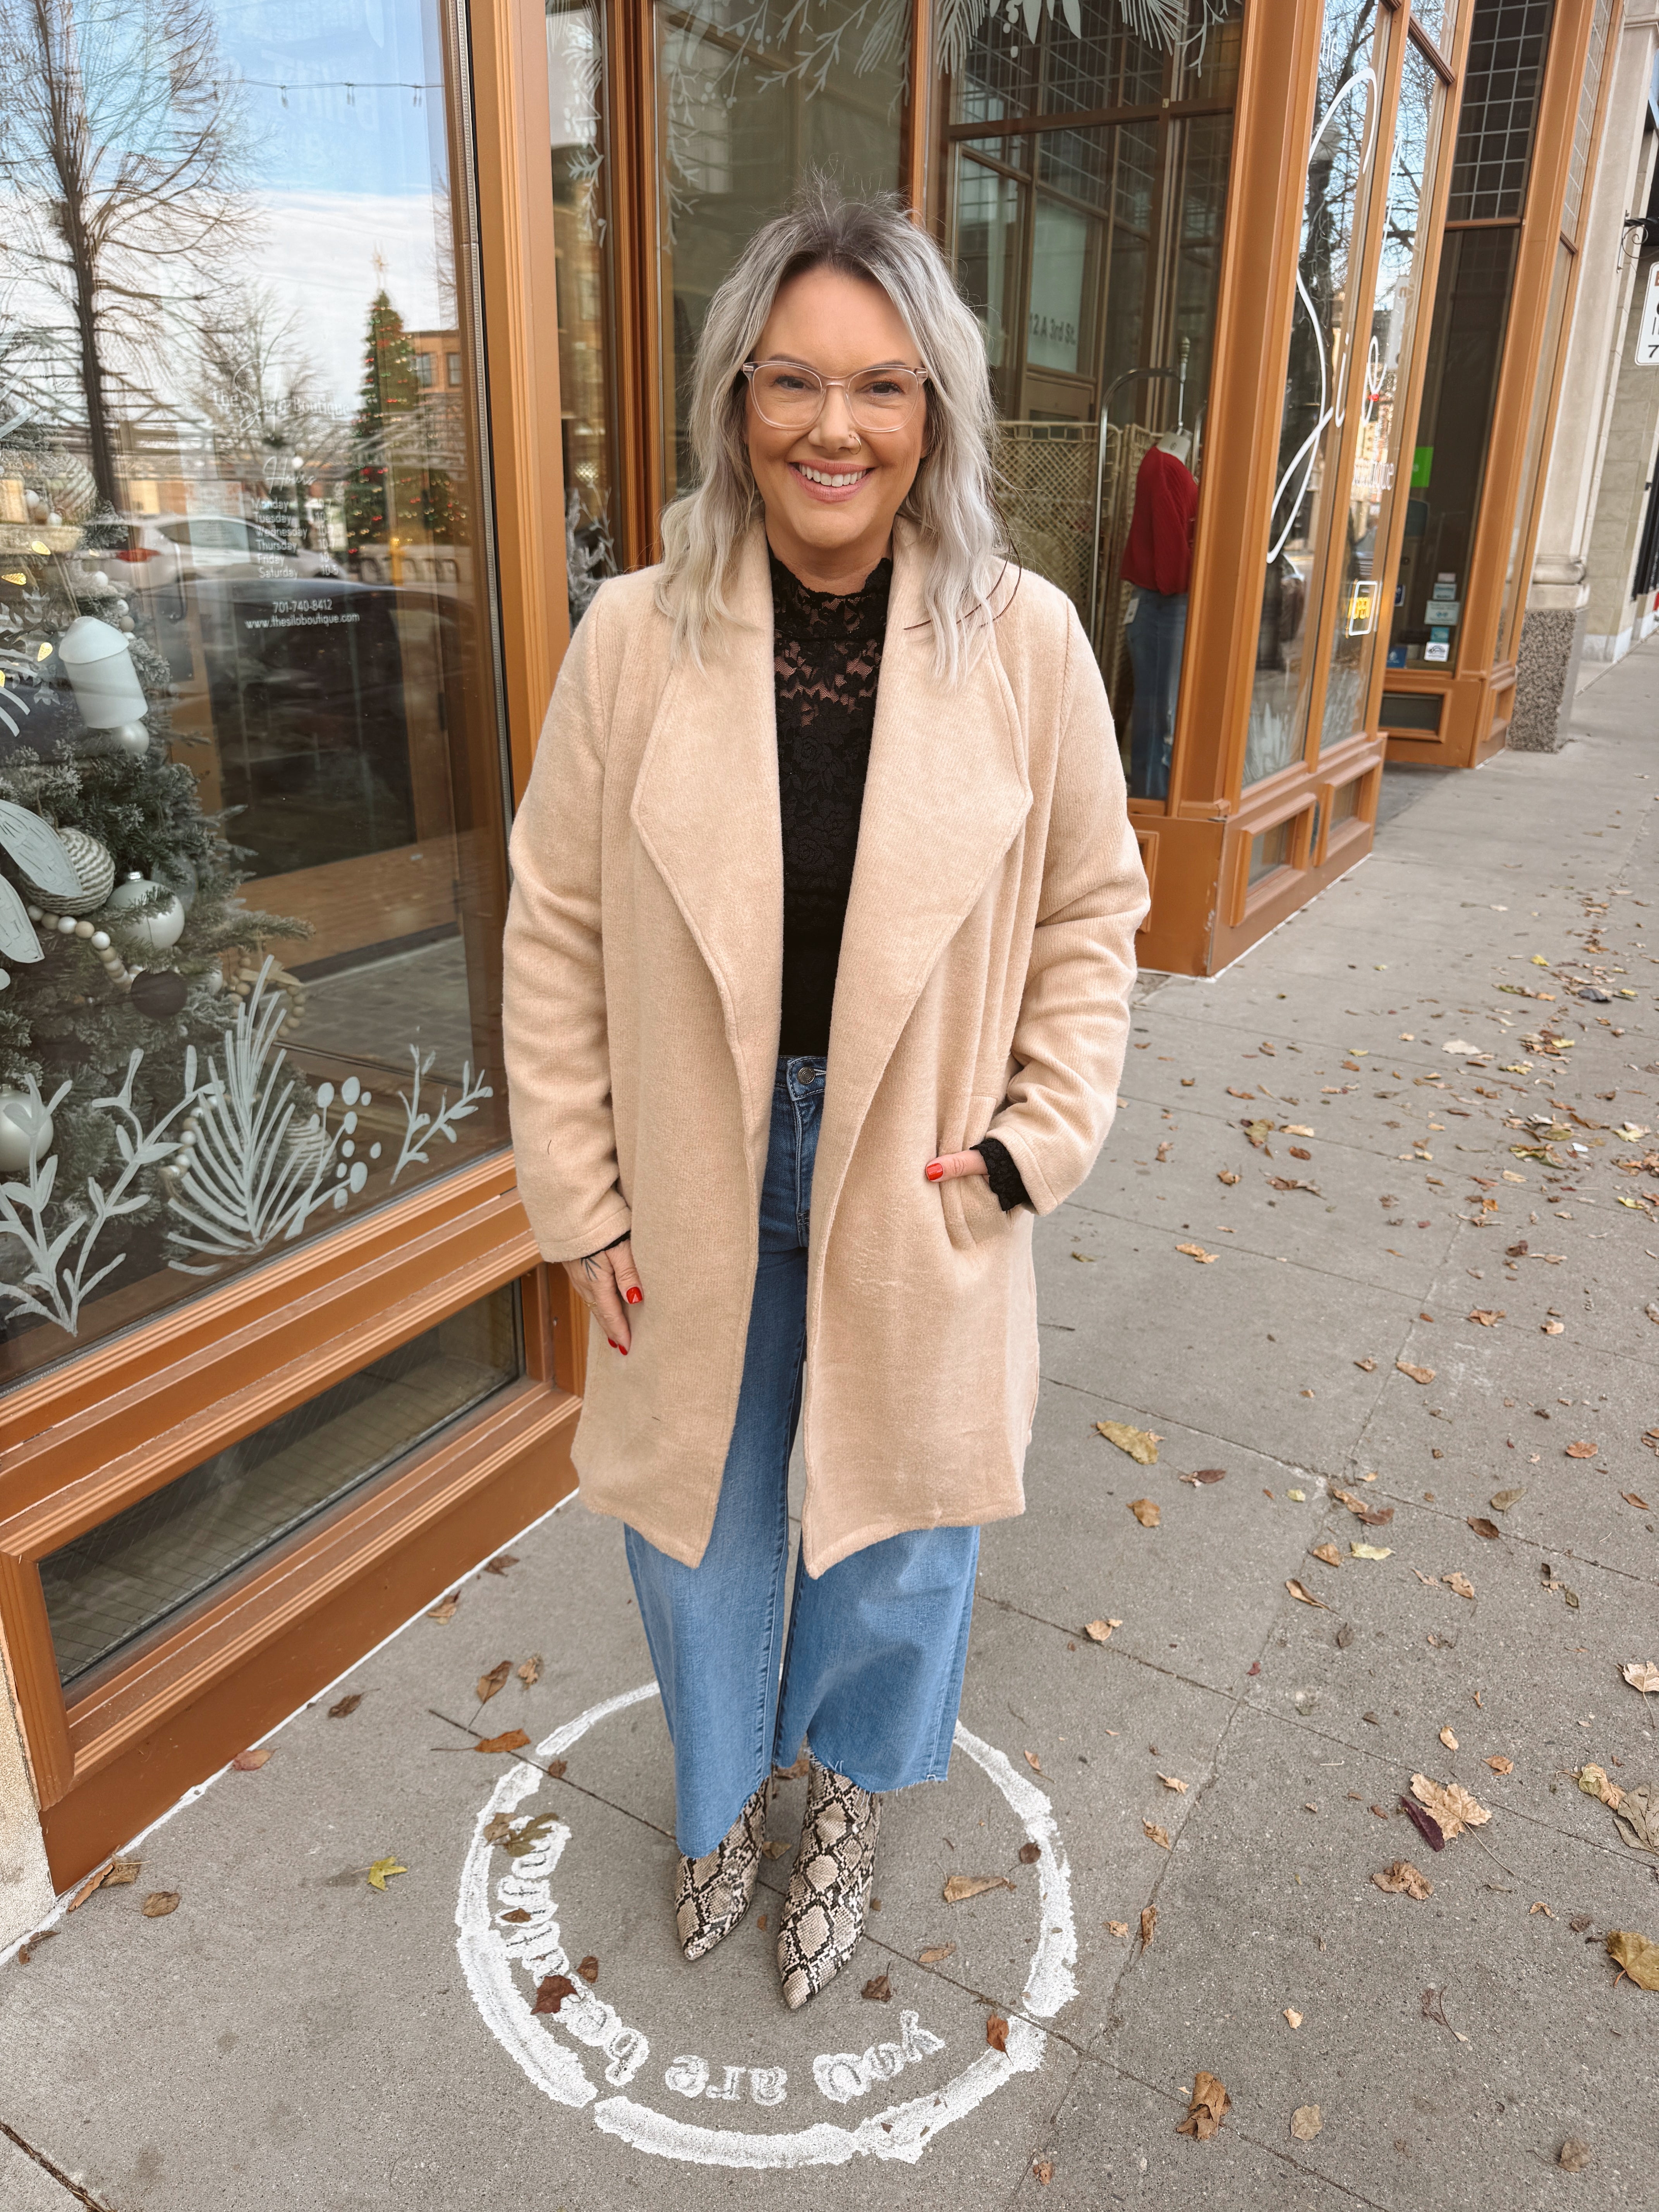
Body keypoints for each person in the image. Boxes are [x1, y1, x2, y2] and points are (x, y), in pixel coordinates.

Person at [502, 184, 1148, 2009]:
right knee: (692, 1509)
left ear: (933, 407)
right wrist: (583, 1193)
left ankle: (847, 1788)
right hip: (689, 1155)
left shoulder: (1023, 644)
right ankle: (721, 1798)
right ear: (736, 399)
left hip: (920, 1149)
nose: (834, 428)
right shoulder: (635, 635)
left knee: (901, 1521)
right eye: (794, 381)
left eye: (880, 386)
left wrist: (1033, 1141)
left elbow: (1100, 914)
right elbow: (552, 927)